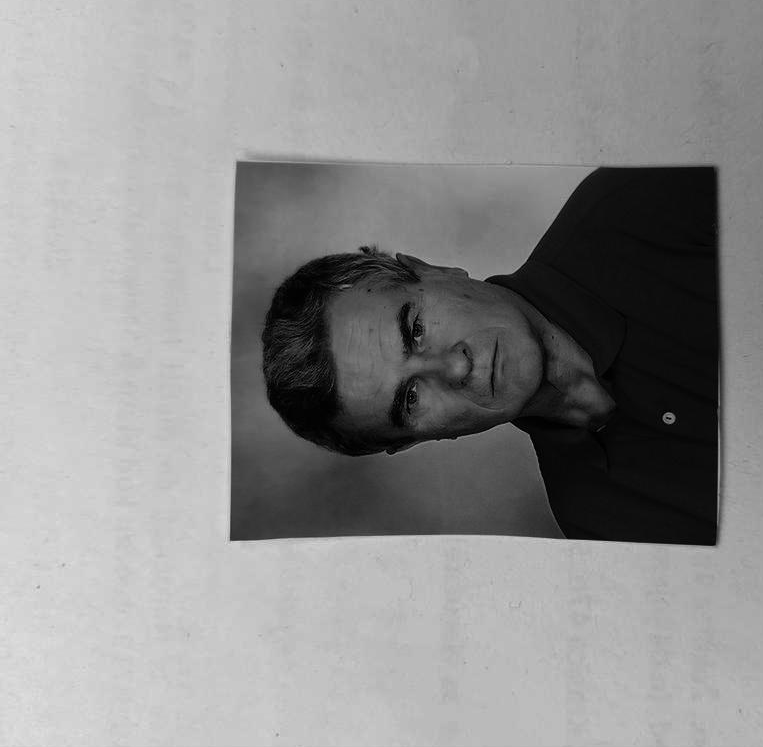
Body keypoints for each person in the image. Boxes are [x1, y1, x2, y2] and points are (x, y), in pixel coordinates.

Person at [262, 167, 719, 545]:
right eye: (411, 399)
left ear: (435, 271)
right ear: (417, 440)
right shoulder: (597, 524)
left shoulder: (638, 202)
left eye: (415, 329)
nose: (455, 367)